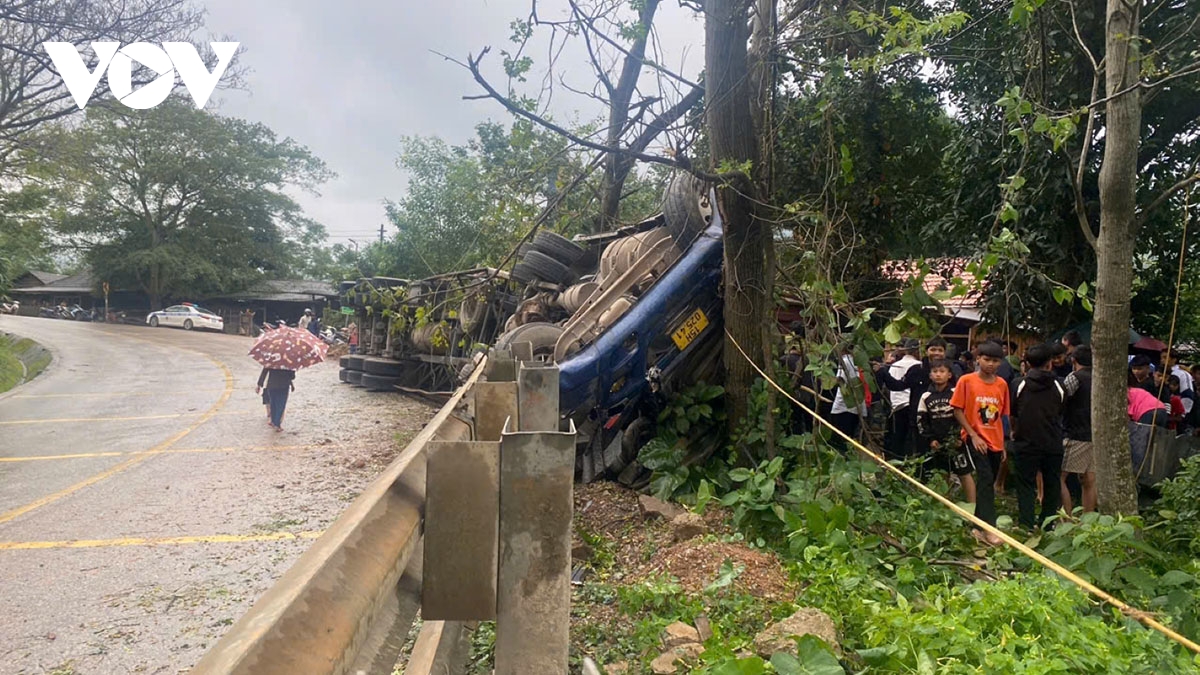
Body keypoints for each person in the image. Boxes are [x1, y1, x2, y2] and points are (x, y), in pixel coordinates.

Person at [951, 340, 1011, 546]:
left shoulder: (1002, 384)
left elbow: (1003, 415)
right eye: (987, 360)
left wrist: (1003, 443)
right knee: (985, 480)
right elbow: (957, 409)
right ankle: (990, 528)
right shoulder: (966, 381)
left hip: (995, 439)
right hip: (974, 438)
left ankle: (976, 526)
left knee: (988, 482)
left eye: (995, 361)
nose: (991, 364)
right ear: (978, 359)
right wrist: (972, 435)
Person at [1010, 343, 1066, 530]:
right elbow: (1061, 409)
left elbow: (1013, 413)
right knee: (1052, 483)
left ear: (1026, 363)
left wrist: (1014, 430)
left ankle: (1026, 522)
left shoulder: (1019, 384)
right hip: (1053, 441)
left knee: (1025, 483)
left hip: (1026, 441)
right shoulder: (1059, 385)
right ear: (1050, 363)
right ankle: (1047, 523)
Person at [916, 359, 972, 492]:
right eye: (935, 371)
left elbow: (966, 415)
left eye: (942, 371)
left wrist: (961, 436)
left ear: (949, 375)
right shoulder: (926, 396)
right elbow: (921, 420)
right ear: (930, 375)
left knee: (964, 472)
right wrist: (931, 439)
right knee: (942, 473)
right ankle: (945, 502)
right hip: (938, 442)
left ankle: (972, 505)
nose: (938, 374)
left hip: (957, 441)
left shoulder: (955, 392)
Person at [1061, 345, 1097, 514]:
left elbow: (1061, 399)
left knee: (1058, 477)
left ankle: (1065, 518)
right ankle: (1087, 520)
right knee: (1089, 479)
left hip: (1076, 432)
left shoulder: (1074, 377)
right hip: (1096, 434)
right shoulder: (1101, 377)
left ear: (1073, 360)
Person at [881, 339, 922, 460]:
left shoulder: (894, 365)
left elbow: (891, 386)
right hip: (913, 405)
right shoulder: (918, 366)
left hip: (897, 405)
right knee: (911, 439)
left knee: (897, 437)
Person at [256, 367, 296, 431]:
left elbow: (264, 372)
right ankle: (277, 424)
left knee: (273, 403)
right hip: (284, 386)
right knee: (280, 405)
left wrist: (259, 385)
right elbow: (292, 376)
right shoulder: (288, 363)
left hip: (272, 385)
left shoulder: (272, 360)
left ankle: (274, 421)